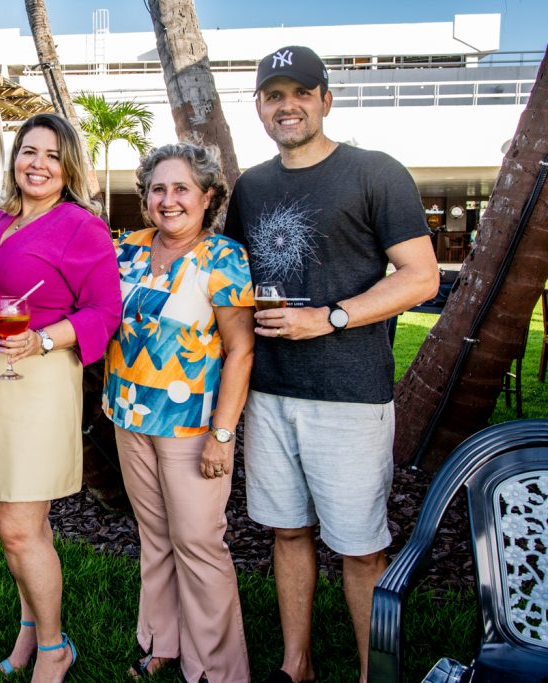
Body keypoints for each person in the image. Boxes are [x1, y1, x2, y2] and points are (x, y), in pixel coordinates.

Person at [223, 46, 439, 683]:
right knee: (286, 533)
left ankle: (374, 672)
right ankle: (297, 665)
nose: (287, 106)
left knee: (359, 546)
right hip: (268, 392)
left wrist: (330, 317)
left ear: (325, 99)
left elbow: (421, 277)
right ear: (259, 107)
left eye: (299, 93)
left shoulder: (375, 173)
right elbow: (231, 276)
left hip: (348, 395)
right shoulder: (252, 187)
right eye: (273, 96)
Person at [0, 112, 121, 682]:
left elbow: (105, 312)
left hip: (37, 374)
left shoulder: (82, 227)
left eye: (52, 155)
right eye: (28, 151)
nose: (37, 164)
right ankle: (30, 628)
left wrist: (42, 339)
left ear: (69, 167)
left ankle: (55, 646)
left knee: (17, 525)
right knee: (23, 522)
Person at [103, 142, 255, 683]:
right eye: (158, 189)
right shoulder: (129, 249)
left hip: (192, 425)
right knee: (155, 535)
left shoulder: (222, 257)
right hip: (128, 417)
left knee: (198, 542)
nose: (168, 200)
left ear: (207, 195)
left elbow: (241, 348)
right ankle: (159, 639)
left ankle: (215, 668)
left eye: (181, 188)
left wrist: (223, 432)